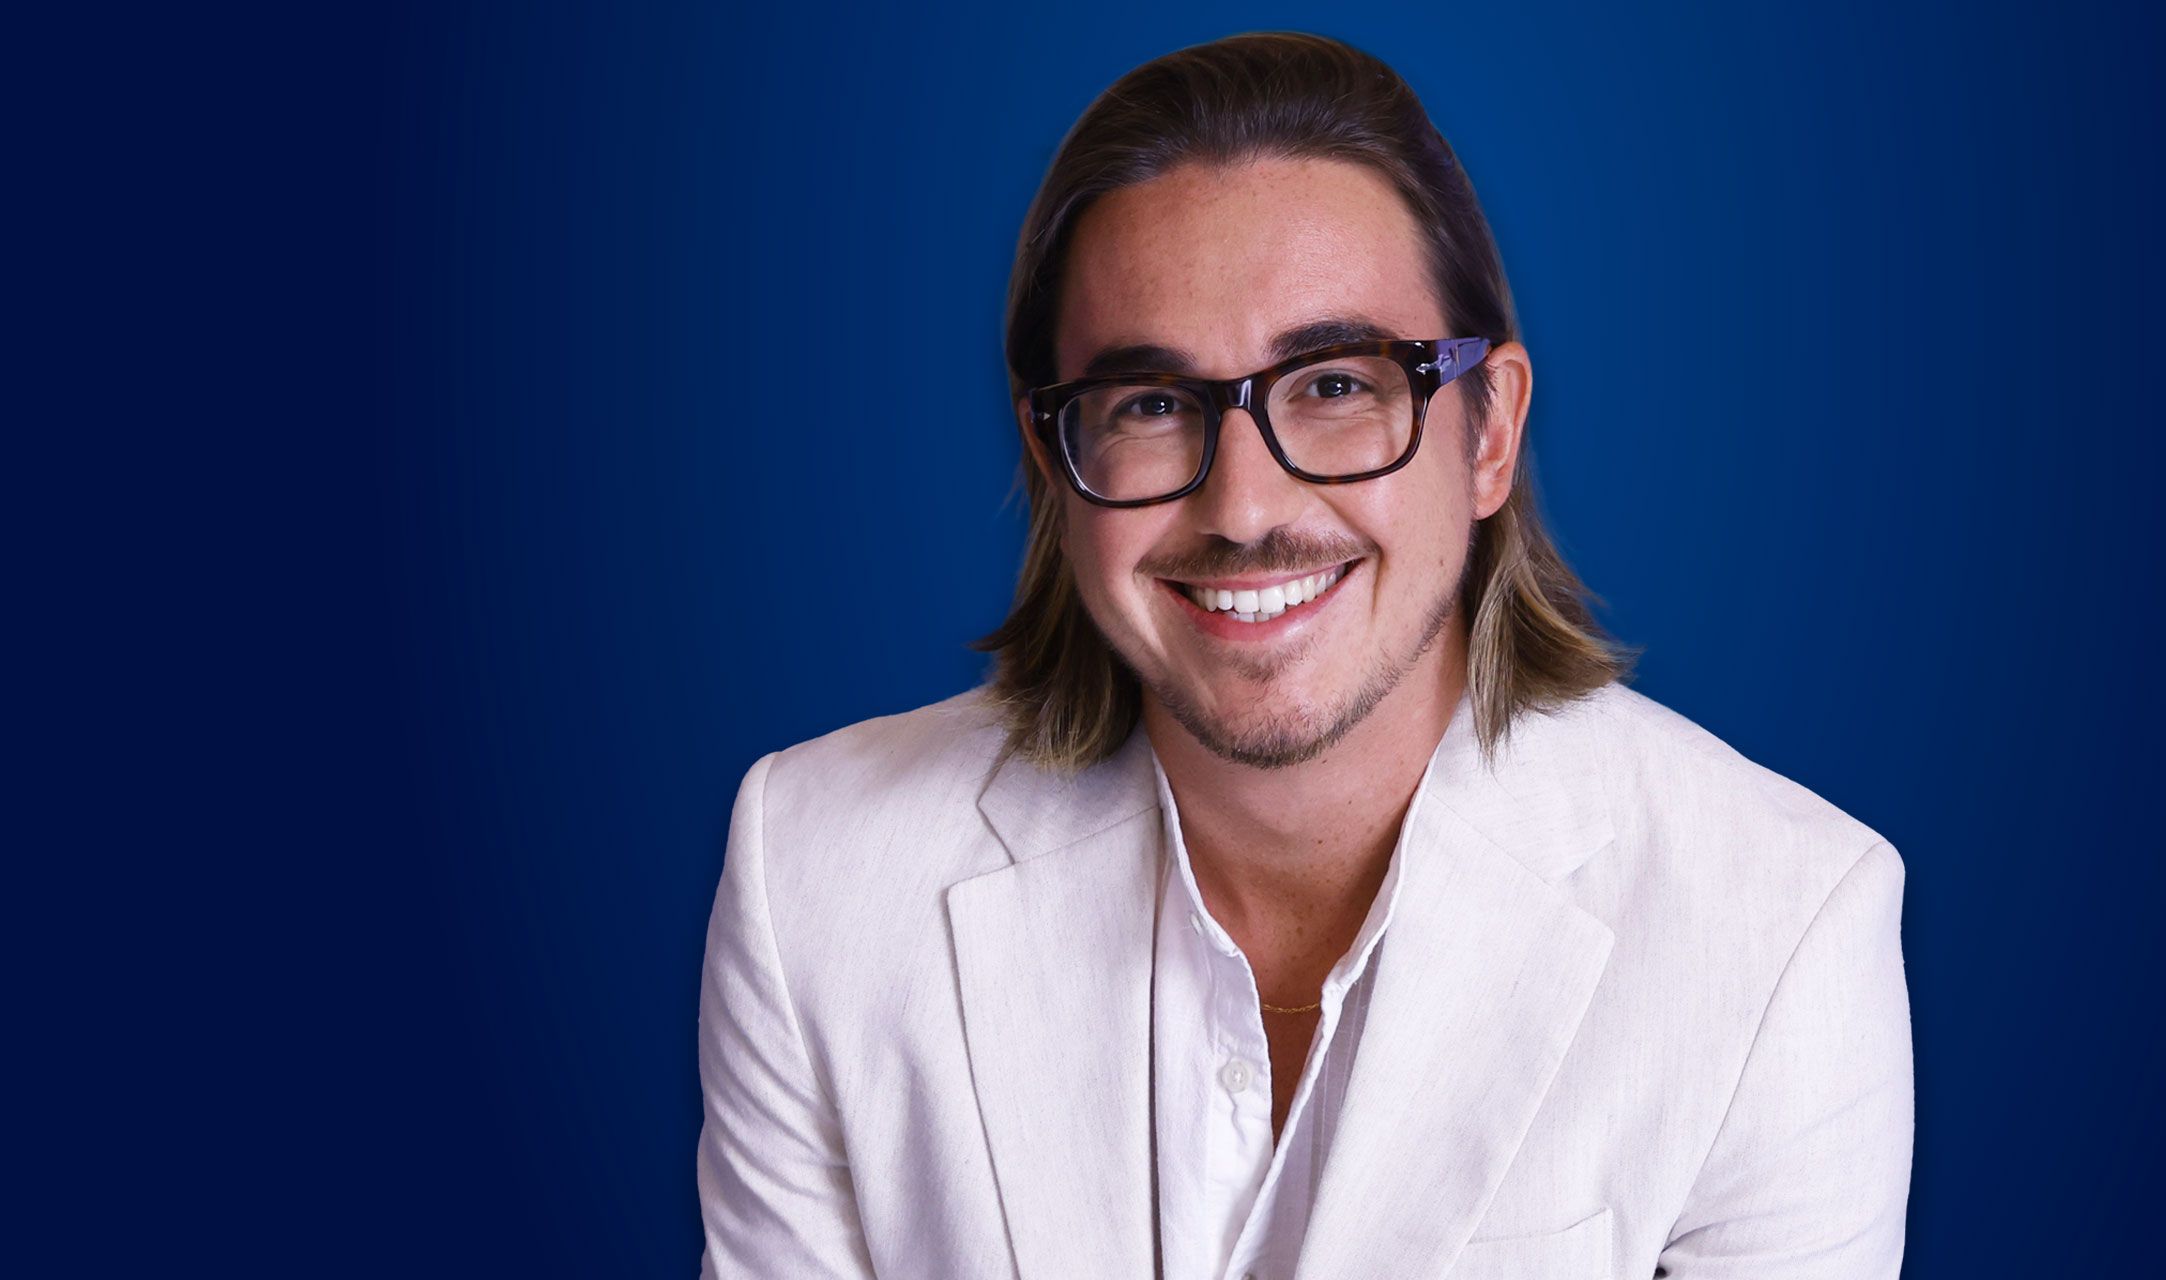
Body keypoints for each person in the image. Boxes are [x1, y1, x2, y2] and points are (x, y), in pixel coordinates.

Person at [697, 31, 1912, 1280]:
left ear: (1488, 431)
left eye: (1333, 385)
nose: (1242, 506)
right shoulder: (817, 877)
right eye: (1150, 404)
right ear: (1054, 464)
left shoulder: (1779, 934)